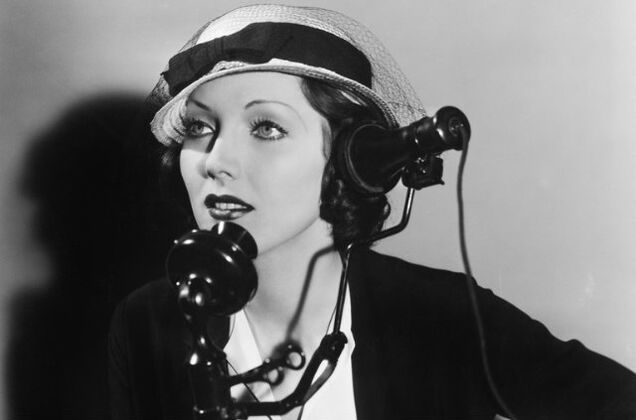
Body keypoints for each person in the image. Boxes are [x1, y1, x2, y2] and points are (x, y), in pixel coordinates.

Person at [108, 5, 636, 420]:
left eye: (266, 127)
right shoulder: (145, 323)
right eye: (199, 128)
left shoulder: (444, 315)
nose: (216, 161)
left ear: (350, 159)